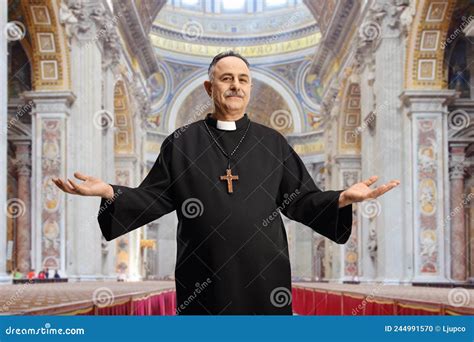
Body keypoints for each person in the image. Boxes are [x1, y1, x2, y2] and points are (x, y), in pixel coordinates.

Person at [52, 51, 400, 315]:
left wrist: (340, 198)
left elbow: (300, 200)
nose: (236, 86)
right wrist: (109, 192)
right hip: (202, 274)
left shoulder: (272, 142)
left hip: (265, 274)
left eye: (243, 79)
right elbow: (154, 197)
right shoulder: (181, 142)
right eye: (226, 78)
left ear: (249, 87)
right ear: (210, 86)